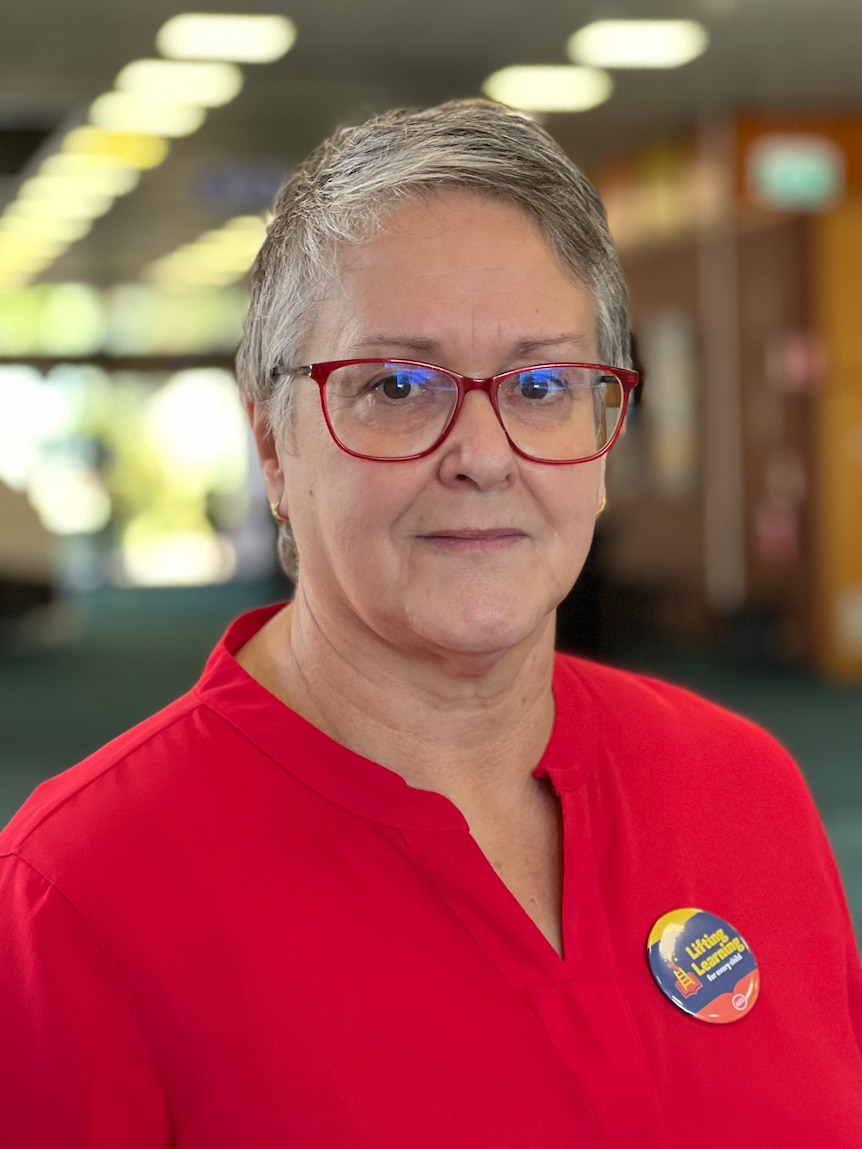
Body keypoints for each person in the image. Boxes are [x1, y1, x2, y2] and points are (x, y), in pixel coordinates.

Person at [1, 100, 860, 1147]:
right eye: (397, 387)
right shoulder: (79, 894)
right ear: (274, 446)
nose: (482, 453)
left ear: (602, 431)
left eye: (541, 384)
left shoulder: (742, 787)